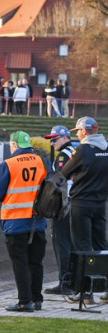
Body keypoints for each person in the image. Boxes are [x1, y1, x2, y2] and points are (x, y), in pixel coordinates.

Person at [0, 131, 49, 312]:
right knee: (36, 262)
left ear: (15, 146)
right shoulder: (43, 162)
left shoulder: (6, 165)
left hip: (15, 222)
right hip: (37, 221)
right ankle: (37, 299)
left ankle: (24, 302)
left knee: (20, 262)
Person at [59, 117, 108, 303]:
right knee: (102, 246)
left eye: (78, 131)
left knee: (83, 249)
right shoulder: (107, 148)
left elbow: (63, 173)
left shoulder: (83, 150)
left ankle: (85, 293)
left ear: (85, 131)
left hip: (81, 204)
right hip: (101, 203)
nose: (77, 135)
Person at [42, 125, 78, 295]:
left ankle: (65, 282)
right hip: (77, 203)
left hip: (65, 205)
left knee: (61, 243)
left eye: (55, 139)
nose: (53, 142)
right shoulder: (76, 151)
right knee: (73, 243)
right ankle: (74, 281)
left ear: (65, 138)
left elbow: (59, 182)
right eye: (51, 140)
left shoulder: (64, 155)